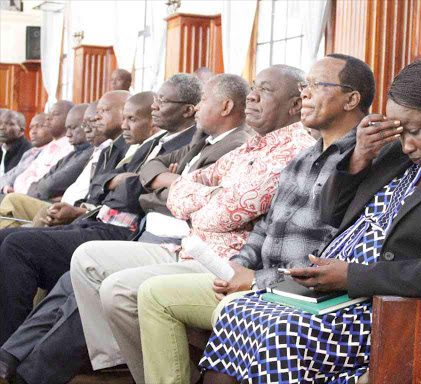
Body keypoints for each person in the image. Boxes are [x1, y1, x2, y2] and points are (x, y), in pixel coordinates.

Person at [189, 54, 421, 384]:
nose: (408, 144)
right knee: (236, 312)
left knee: (280, 331)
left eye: (415, 131)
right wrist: (357, 160)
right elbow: (331, 216)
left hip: (386, 308)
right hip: (335, 293)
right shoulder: (397, 153)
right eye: (400, 132)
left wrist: (353, 276)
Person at [131, 53, 376, 384]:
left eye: (316, 85)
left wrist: (258, 280)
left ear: (352, 99)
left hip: (300, 290)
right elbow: (265, 226)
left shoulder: (363, 160)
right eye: (305, 86)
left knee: (225, 317)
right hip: (256, 279)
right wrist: (236, 266)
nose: (306, 93)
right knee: (153, 293)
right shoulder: (304, 156)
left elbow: (330, 253)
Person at [69, 65, 315, 384]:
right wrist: (207, 193)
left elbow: (220, 215)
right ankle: (126, 366)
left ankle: (157, 375)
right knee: (87, 258)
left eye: (265, 90)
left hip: (225, 261)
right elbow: (186, 195)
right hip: (191, 246)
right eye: (253, 87)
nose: (251, 96)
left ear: (296, 104)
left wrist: (194, 193)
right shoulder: (254, 145)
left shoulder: (292, 149)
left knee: (120, 289)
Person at [0, 74, 249, 384]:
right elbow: (139, 176)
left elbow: (175, 201)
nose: (199, 107)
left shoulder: (238, 145)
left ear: (225, 106)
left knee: (88, 276)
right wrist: (162, 183)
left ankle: (32, 375)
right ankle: (10, 355)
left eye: (204, 101)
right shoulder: (201, 138)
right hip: (148, 232)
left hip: (183, 244)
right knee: (69, 276)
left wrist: (162, 187)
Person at [0, 78, 200, 347]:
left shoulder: (186, 144)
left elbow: (133, 197)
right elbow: (103, 184)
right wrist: (125, 180)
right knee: (8, 240)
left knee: (18, 246)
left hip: (123, 232)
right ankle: (13, 347)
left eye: (162, 102)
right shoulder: (154, 141)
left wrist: (123, 182)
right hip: (96, 218)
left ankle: (9, 342)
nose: (155, 106)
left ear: (189, 109)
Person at [0, 104, 92, 228]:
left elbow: (50, 185)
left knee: (12, 201)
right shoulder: (73, 153)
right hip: (41, 198)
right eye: (68, 128)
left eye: (73, 128)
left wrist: (35, 187)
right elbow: (31, 176)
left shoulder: (86, 153)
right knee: (10, 221)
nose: (69, 134)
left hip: (62, 206)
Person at [11, 101, 75, 195]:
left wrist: (28, 188)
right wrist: (27, 190)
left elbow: (50, 185)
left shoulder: (71, 148)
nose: (48, 118)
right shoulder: (49, 147)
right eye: (48, 114)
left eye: (55, 114)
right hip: (28, 195)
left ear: (70, 119)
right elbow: (22, 178)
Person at [0, 114, 51, 194]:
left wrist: (5, 187)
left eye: (39, 126)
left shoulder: (49, 152)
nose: (33, 132)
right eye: (31, 127)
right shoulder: (30, 152)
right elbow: (11, 174)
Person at [0, 110, 32, 177]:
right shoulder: (2, 147)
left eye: (9, 124)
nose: (2, 127)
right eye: (0, 123)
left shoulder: (29, 151)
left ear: (22, 129)